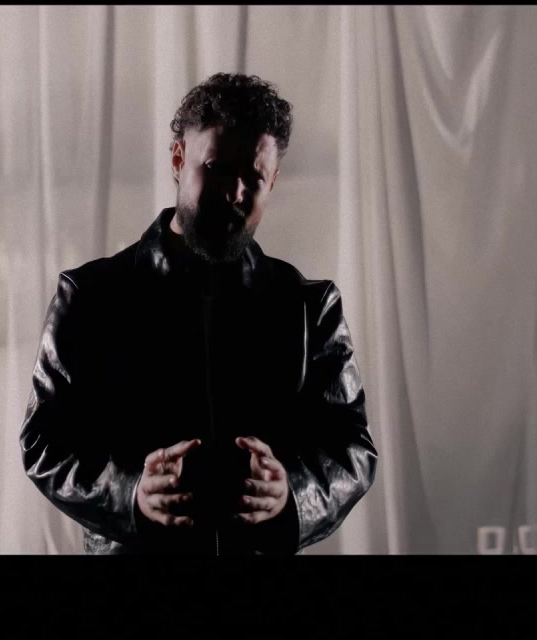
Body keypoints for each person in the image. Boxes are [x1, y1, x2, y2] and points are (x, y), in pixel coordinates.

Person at [20, 73, 377, 554]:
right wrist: (130, 494)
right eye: (217, 168)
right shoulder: (90, 296)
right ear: (177, 159)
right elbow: (43, 440)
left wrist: (293, 494)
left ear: (272, 181)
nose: (234, 193)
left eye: (253, 177)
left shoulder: (310, 307)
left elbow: (352, 448)